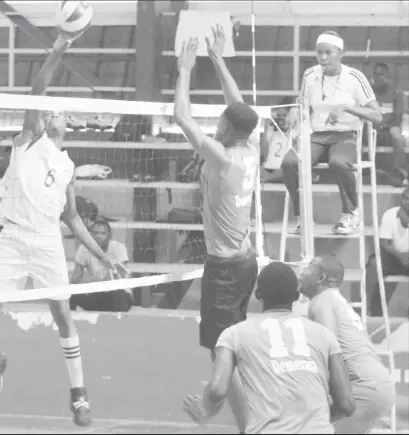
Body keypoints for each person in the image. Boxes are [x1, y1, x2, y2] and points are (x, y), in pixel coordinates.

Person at [0, 31, 128, 427]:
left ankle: (78, 395)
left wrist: (103, 258)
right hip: (12, 237)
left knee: (63, 314)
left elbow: (74, 219)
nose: (50, 113)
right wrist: (60, 45)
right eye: (47, 110)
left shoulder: (67, 168)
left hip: (46, 240)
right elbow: (37, 88)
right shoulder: (28, 140)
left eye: (56, 111)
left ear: (65, 121)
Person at [174, 25, 260, 433]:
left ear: (225, 128)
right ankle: (246, 422)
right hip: (245, 263)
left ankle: (238, 419)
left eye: (221, 120)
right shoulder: (251, 145)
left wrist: (186, 68)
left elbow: (182, 116)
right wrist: (218, 59)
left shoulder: (223, 159)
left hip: (225, 270)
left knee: (223, 354)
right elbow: (238, 103)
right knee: (231, 348)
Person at [183, 261, 356, 434]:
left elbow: (217, 389)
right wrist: (313, 421)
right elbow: (347, 404)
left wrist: (204, 409)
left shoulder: (234, 334)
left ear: (258, 294)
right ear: (296, 296)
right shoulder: (325, 335)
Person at [282, 31, 383, 235]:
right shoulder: (310, 75)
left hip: (345, 135)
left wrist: (346, 107)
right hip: (317, 135)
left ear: (341, 53)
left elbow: (377, 115)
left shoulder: (355, 77)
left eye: (329, 52)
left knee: (338, 162)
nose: (324, 58)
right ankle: (304, 216)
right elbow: (302, 103)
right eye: (320, 53)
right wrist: (294, 110)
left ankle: (351, 214)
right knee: (289, 162)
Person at [300, 255, 395, 434]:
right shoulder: (336, 300)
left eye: (308, 267)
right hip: (377, 386)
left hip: (364, 388)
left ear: (321, 278)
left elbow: (327, 351)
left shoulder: (322, 301)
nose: (301, 272)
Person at [70, 216, 133, 312]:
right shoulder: (84, 249)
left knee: (118, 294)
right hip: (96, 294)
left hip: (117, 293)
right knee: (70, 292)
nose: (99, 236)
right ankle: (69, 323)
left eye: (103, 233)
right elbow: (75, 279)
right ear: (90, 235)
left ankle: (120, 323)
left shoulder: (119, 248)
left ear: (109, 236)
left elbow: (123, 278)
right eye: (95, 233)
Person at [366, 187, 409, 316]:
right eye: (406, 199)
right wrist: (400, 255)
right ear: (401, 200)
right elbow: (384, 243)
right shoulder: (390, 214)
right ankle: (366, 306)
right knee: (373, 264)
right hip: (393, 256)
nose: (408, 202)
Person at [371, 62, 408, 187]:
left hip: (391, 126)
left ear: (387, 75)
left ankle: (399, 171)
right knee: (360, 133)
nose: (378, 77)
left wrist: (385, 125)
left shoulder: (397, 91)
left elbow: (398, 117)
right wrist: (377, 126)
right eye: (375, 74)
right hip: (374, 126)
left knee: (397, 135)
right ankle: (366, 172)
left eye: (381, 74)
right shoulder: (369, 91)